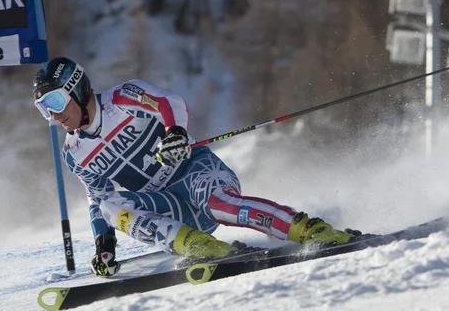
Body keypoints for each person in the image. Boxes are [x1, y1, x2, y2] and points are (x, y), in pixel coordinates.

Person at [33, 57, 359, 277]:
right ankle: (199, 246)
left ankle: (312, 230)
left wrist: (174, 132)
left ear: (77, 88)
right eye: (44, 109)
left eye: (56, 102)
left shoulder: (123, 98)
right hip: (170, 208)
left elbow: (168, 103)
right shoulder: (74, 153)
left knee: (221, 206)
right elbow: (97, 198)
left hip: (194, 173)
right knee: (108, 206)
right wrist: (104, 244)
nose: (54, 115)